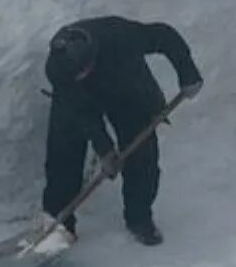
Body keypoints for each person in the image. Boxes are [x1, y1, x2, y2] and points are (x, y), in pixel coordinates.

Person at [39, 15, 203, 247]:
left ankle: (139, 218)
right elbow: (82, 114)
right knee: (62, 154)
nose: (80, 76)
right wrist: (104, 149)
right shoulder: (58, 69)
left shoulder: (120, 35)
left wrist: (188, 74)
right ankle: (58, 224)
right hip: (76, 101)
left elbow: (165, 35)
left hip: (126, 91)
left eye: (82, 72)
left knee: (141, 154)